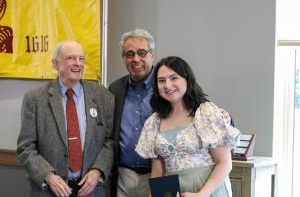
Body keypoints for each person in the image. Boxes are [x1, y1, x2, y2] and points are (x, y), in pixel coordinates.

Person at [16, 40, 115, 197]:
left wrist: (98, 171)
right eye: (71, 58)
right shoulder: (35, 99)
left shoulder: (103, 96)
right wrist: (48, 176)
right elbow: (25, 147)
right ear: (55, 63)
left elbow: (110, 140)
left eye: (81, 58)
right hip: (50, 190)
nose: (78, 63)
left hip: (92, 190)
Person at [135, 56, 240, 197]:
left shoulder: (205, 112)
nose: (167, 85)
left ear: (187, 79)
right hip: (173, 192)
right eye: (161, 80)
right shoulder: (153, 122)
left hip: (209, 189)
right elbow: (157, 174)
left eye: (174, 78)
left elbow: (224, 163)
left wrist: (201, 194)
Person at [108, 29, 155, 197]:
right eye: (129, 54)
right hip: (123, 177)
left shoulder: (167, 85)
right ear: (124, 58)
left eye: (141, 53)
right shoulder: (115, 89)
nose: (136, 59)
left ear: (152, 54)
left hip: (158, 174)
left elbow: (195, 110)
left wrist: (225, 118)